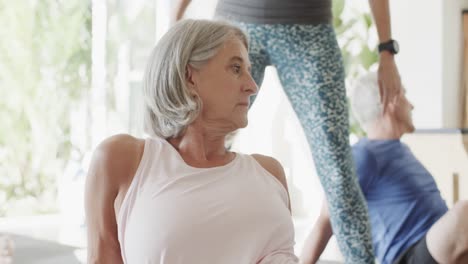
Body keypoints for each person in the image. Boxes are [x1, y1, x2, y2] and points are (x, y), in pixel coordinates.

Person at [174, 0, 403, 262]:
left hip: (310, 30)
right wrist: (173, 25)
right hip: (234, 25)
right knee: (192, 150)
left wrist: (386, 50)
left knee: (338, 175)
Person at [85, 19, 300, 263]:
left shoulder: (270, 172)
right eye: (236, 68)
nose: (251, 86)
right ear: (190, 77)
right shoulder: (122, 159)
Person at [300, 72, 468, 264]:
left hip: (436, 248)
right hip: (408, 255)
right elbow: (326, 220)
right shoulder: (363, 156)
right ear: (390, 100)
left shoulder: (399, 148)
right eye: (404, 95)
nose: (411, 105)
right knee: (463, 213)